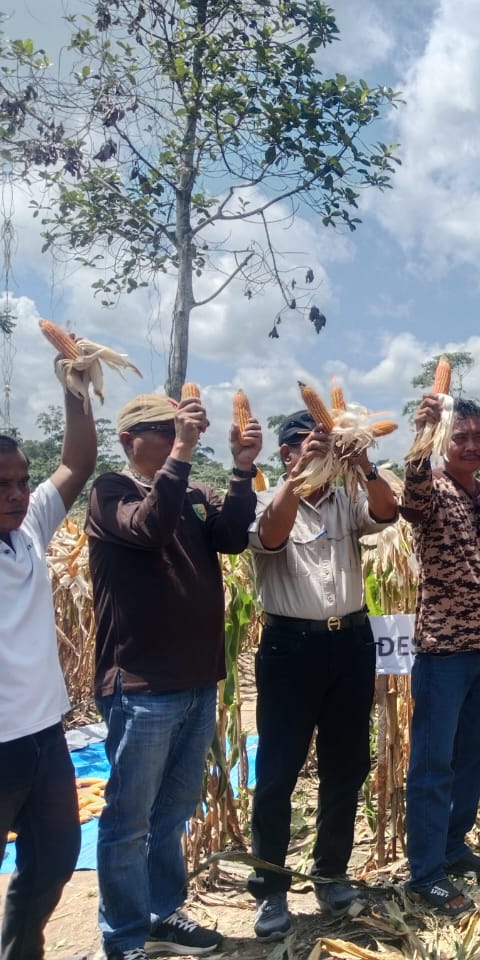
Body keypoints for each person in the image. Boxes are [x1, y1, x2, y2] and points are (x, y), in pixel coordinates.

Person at [87, 392, 261, 960]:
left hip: (195, 681)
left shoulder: (191, 492)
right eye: (160, 430)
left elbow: (233, 539)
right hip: (140, 688)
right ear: (127, 441)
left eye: (177, 428)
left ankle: (163, 912)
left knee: (173, 811)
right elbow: (152, 530)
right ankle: (124, 934)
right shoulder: (110, 492)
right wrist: (182, 452)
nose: (172, 436)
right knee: (128, 818)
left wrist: (239, 470)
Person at [246, 412, 398, 939]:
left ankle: (331, 873)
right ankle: (270, 889)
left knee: (347, 764)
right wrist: (298, 478)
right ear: (286, 453)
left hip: (350, 642)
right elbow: (271, 536)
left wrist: (363, 464)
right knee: (278, 773)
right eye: (302, 445)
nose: (313, 453)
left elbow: (387, 510)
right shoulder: (268, 501)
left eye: (321, 446)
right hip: (291, 647)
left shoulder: (346, 501)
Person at [0, 367, 97, 960]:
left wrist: (74, 389)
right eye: (0, 484)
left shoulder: (30, 528)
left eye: (20, 481)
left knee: (57, 858)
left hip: (43, 736)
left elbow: (78, 463)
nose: (15, 493)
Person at [400, 397, 480, 916]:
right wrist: (420, 438)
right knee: (433, 763)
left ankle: (453, 844)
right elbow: (412, 503)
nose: (469, 445)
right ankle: (425, 871)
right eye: (459, 437)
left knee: (472, 755)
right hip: (443, 650)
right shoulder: (432, 489)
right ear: (444, 442)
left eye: (477, 436)